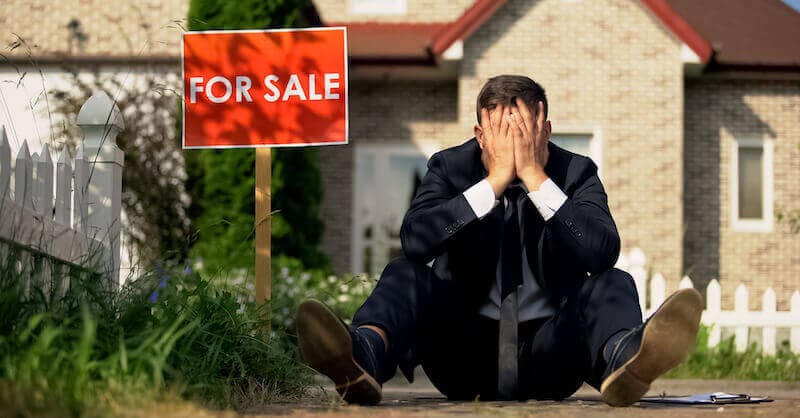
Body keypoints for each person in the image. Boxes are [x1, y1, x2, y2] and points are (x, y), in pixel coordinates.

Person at [295, 75, 703, 407]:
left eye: (524, 135)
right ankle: (361, 358)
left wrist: (535, 178)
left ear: (545, 131)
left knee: (614, 279)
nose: (514, 147)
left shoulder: (575, 172)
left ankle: (626, 361)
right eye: (503, 135)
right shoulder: (450, 168)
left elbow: (602, 250)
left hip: (552, 355)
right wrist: (491, 185)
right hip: (462, 355)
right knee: (406, 270)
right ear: (479, 134)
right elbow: (416, 240)